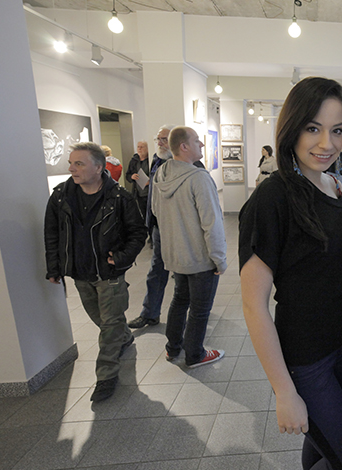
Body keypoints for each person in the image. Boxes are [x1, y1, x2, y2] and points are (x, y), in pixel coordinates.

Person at [239, 77, 342, 470]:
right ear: (291, 128)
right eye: (313, 128)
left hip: (341, 343)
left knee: (322, 448)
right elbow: (253, 305)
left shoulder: (333, 184)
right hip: (305, 359)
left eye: (337, 130)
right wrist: (284, 391)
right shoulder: (272, 197)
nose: (327, 143)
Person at [44, 142, 147, 402]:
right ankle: (124, 338)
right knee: (101, 320)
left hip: (109, 273)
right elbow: (52, 233)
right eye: (71, 163)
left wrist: (121, 258)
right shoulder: (60, 196)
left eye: (79, 163)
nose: (72, 168)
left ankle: (106, 376)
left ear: (99, 167)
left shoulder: (119, 198)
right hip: (80, 272)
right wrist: (54, 267)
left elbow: (138, 233)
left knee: (109, 324)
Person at [151, 126, 226, 368]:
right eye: (196, 141)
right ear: (184, 146)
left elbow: (155, 212)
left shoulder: (161, 174)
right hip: (200, 258)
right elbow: (212, 223)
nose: (202, 144)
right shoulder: (199, 178)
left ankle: (173, 348)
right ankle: (195, 355)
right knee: (200, 309)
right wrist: (219, 258)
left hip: (176, 256)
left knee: (179, 300)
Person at [128, 126, 206, 330]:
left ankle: (192, 313)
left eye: (164, 139)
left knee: (184, 277)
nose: (160, 143)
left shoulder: (194, 166)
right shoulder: (157, 163)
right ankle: (150, 313)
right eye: (158, 139)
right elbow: (154, 200)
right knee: (156, 270)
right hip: (160, 227)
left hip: (182, 228)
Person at [125, 140, 150, 218]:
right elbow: (127, 175)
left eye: (142, 147)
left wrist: (150, 181)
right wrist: (132, 177)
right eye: (138, 147)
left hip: (149, 193)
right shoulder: (134, 160)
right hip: (138, 193)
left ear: (147, 148)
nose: (139, 149)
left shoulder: (151, 160)